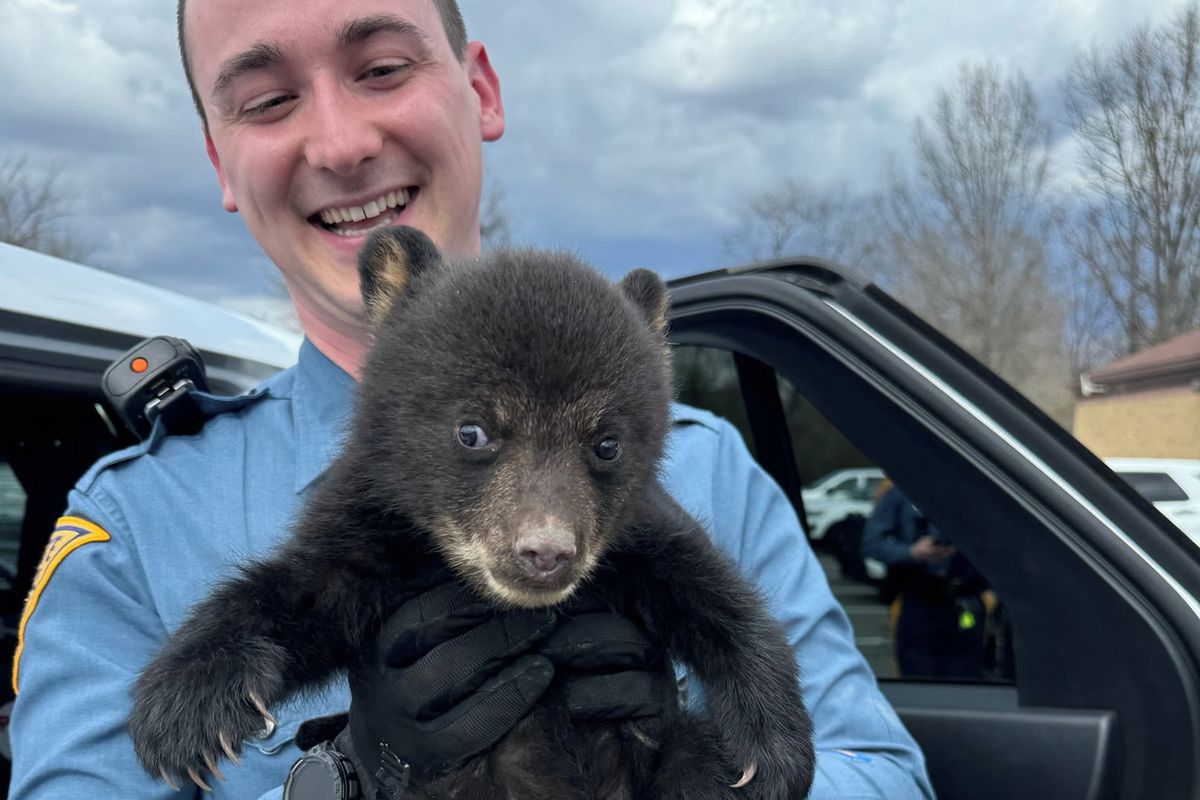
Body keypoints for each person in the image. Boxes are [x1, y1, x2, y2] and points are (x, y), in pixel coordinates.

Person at [8, 1, 935, 798]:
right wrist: (338, 784)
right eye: (268, 99)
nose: (342, 143)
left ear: (481, 88)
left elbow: (879, 771)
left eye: (381, 67)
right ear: (218, 157)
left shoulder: (709, 473)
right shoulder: (132, 531)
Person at [861, 485, 988, 680]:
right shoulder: (900, 494)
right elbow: (872, 544)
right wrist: (912, 552)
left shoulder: (978, 494)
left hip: (966, 602)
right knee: (919, 682)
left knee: (966, 683)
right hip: (919, 602)